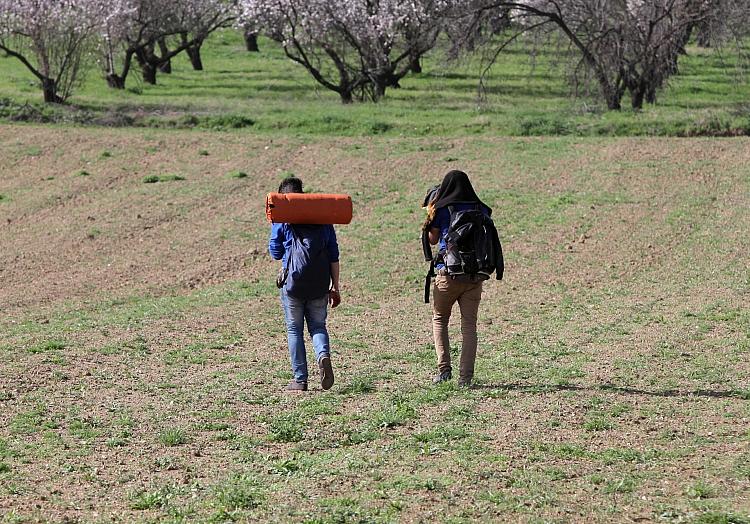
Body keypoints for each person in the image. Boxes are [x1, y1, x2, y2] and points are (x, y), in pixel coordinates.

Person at [423, 170, 498, 387]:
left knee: (440, 319)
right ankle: (465, 378)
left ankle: (444, 369)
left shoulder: (442, 208)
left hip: (447, 274)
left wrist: (430, 215)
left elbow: (432, 238)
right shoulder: (481, 208)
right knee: (469, 326)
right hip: (475, 276)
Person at [268, 177, 341, 392]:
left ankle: (300, 380)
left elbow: (275, 252)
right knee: (318, 326)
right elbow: (333, 255)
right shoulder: (323, 218)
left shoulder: (282, 220)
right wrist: (335, 287)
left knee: (294, 330)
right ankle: (323, 355)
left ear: (283, 198)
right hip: (319, 283)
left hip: (293, 284)